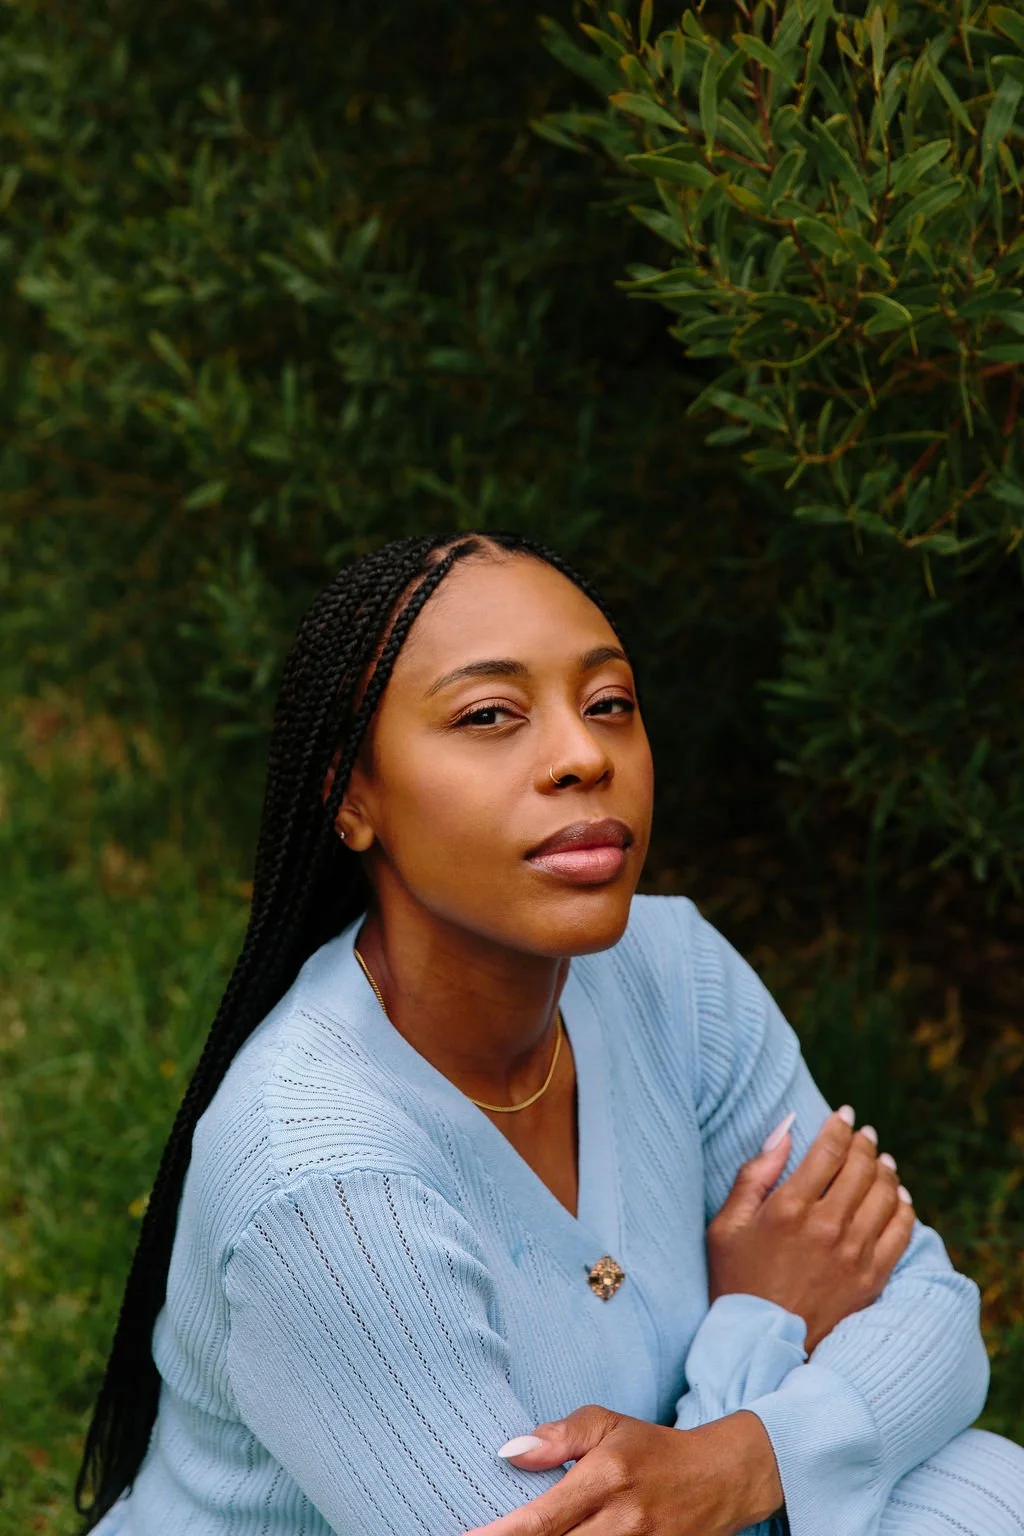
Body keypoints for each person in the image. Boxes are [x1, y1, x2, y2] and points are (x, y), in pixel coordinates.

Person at [76, 531, 1024, 1536]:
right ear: (352, 797)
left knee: (984, 1490)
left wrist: (735, 1461)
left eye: (609, 703)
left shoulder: (671, 970)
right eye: (490, 715)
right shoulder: (326, 1187)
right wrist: (758, 1325)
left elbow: (929, 1316)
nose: (584, 756)